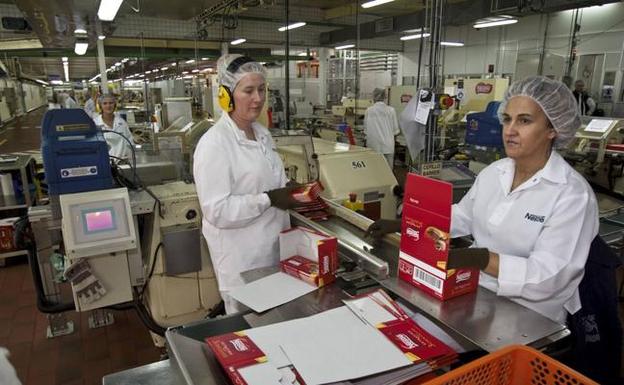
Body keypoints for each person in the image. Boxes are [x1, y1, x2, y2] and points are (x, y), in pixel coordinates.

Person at [366, 76, 598, 325]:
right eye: (507, 119)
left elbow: (550, 276)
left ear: (553, 129)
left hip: (528, 316)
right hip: (474, 291)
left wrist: (481, 259)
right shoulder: (495, 172)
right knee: (397, 320)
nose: (510, 130)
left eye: (525, 121)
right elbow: (463, 216)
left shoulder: (572, 195)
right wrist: (407, 223)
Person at [193, 54, 303, 314]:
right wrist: (270, 198)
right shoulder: (214, 144)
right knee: (250, 329)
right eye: (248, 90)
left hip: (272, 252)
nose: (258, 98)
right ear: (226, 95)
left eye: (262, 89)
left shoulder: (262, 134)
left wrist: (287, 187)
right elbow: (217, 210)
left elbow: (261, 181)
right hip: (242, 261)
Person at [364, 88, 400, 168]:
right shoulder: (391, 110)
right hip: (388, 146)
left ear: (373, 97)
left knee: (375, 170)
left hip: (373, 146)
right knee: (388, 171)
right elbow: (396, 131)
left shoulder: (369, 111)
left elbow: (366, 130)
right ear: (385, 97)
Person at [93, 94, 135, 161]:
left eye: (111, 103)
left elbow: (130, 141)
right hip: (104, 162)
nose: (108, 106)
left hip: (122, 161)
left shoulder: (121, 122)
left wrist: (130, 156)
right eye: (105, 103)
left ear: (115, 105)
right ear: (100, 106)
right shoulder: (95, 123)